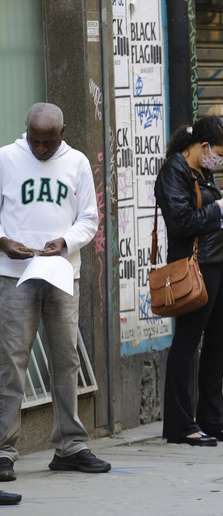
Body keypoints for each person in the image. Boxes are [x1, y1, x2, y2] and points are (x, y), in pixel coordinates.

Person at [0, 103, 110, 480]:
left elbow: (89, 218)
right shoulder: (6, 159)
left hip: (62, 272)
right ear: (26, 131)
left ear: (62, 135)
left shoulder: (76, 162)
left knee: (66, 360)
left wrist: (65, 241)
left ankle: (70, 445)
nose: (41, 149)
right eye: (35, 140)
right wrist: (2, 241)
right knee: (12, 360)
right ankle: (3, 450)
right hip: (14, 274)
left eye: (49, 142)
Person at [156, 116, 223, 446]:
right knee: (187, 343)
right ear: (203, 146)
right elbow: (182, 222)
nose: (221, 159)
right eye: (220, 153)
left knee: (218, 342)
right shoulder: (174, 172)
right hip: (193, 267)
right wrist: (219, 207)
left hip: (217, 263)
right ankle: (180, 424)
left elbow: (215, 219)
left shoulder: (203, 171)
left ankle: (214, 418)